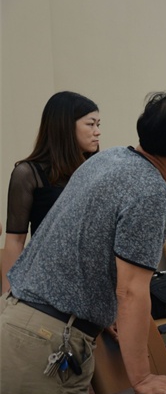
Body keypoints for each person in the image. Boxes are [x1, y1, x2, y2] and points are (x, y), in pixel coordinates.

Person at [0, 92, 166, 394]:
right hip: (44, 342)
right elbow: (131, 291)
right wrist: (143, 377)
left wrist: (100, 309)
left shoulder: (109, 159)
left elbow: (78, 247)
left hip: (15, 322)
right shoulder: (150, 191)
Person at [2, 91, 101, 293]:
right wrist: (7, 294)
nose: (97, 132)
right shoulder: (28, 173)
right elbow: (15, 240)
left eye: (99, 124)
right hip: (46, 283)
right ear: (65, 126)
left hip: (92, 283)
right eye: (91, 124)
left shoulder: (97, 169)